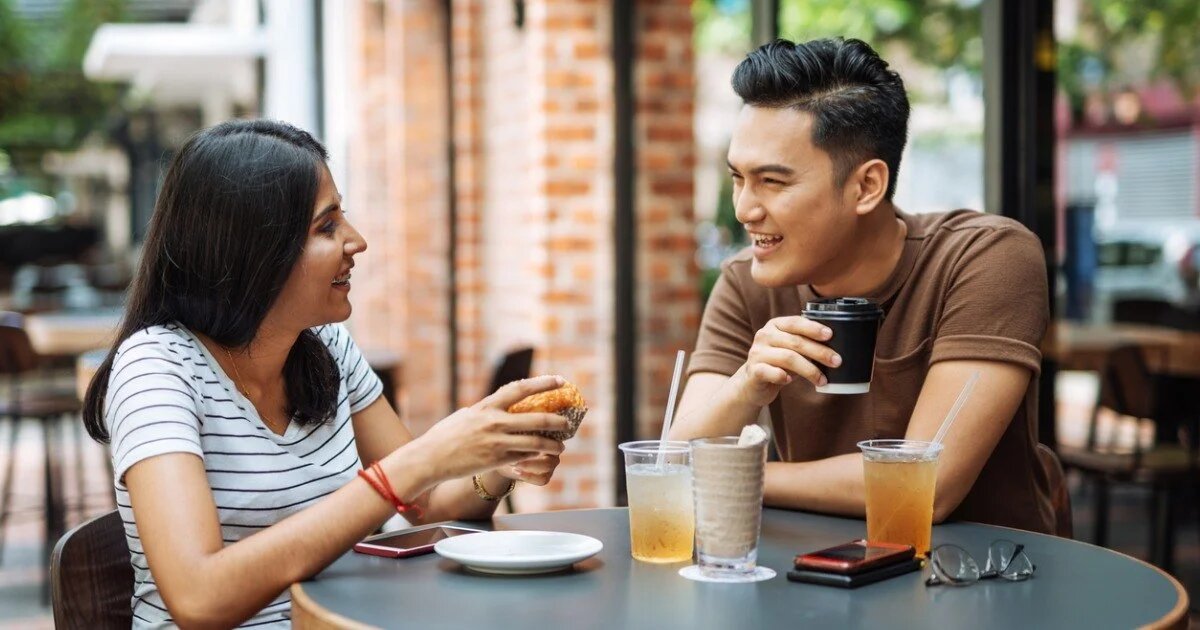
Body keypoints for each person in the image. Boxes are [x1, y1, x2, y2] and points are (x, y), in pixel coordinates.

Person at [81, 120, 571, 628]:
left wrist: (495, 458)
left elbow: (429, 506)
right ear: (252, 250)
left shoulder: (326, 349)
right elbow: (199, 599)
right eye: (326, 226)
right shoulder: (157, 367)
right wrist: (415, 464)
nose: (356, 242)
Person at [671, 38, 1055, 534]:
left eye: (772, 181)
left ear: (867, 186)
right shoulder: (748, 282)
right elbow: (674, 463)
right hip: (818, 578)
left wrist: (741, 474)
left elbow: (925, 484)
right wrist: (747, 386)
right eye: (738, 178)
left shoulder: (985, 258)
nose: (744, 208)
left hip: (982, 584)